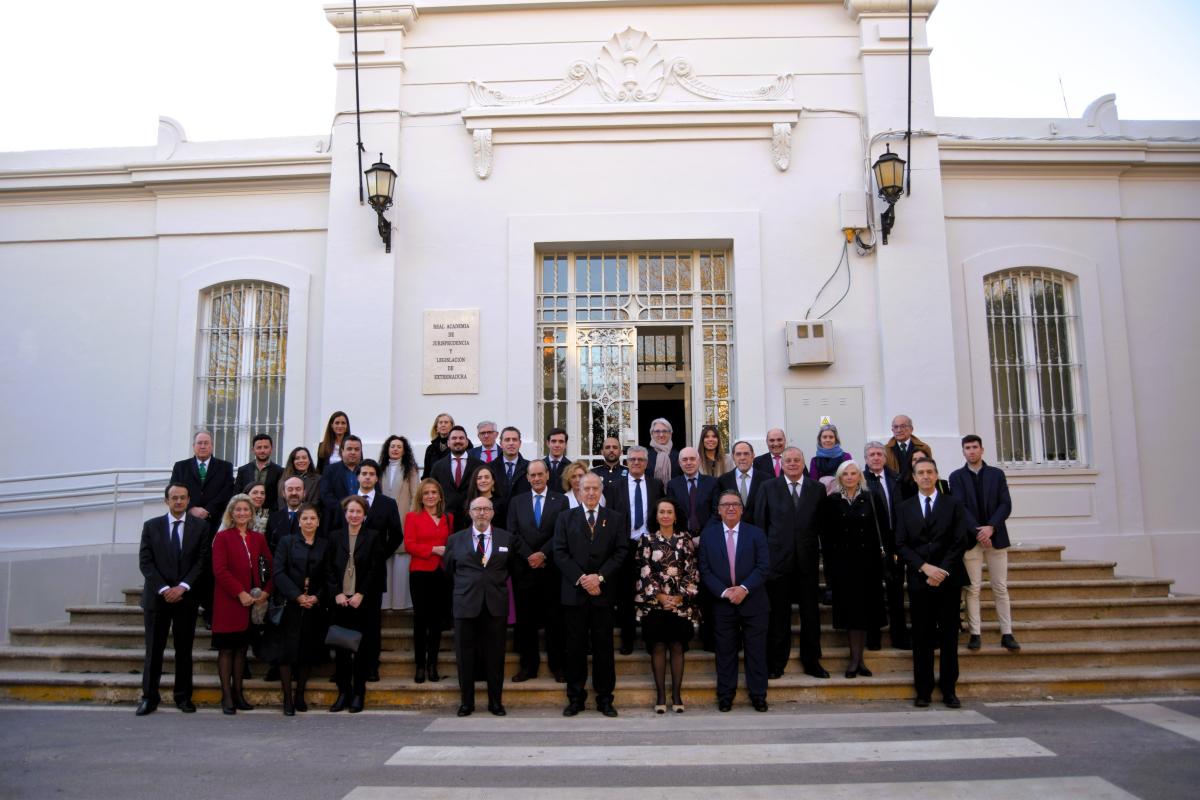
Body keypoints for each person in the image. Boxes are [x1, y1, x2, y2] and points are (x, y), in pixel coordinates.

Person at [895, 458, 971, 708]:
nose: (925, 476)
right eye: (921, 473)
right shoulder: (905, 508)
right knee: (922, 636)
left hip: (948, 579)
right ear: (914, 477)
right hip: (920, 579)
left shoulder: (953, 504)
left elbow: (960, 540)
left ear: (937, 475)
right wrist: (924, 567)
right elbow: (901, 544)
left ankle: (949, 689)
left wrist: (941, 570)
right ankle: (923, 689)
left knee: (949, 636)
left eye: (930, 472)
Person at [553, 473, 630, 717]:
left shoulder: (615, 519)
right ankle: (575, 698)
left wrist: (600, 577)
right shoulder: (565, 518)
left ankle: (605, 698)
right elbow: (560, 552)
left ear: (601, 491)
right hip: (574, 593)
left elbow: (621, 552)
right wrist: (583, 579)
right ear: (578, 491)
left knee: (604, 648)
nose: (590, 493)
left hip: (603, 594)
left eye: (595, 488)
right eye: (586, 488)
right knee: (574, 648)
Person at [136, 483, 210, 716]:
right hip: (157, 599)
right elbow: (146, 562)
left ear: (189, 500)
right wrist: (165, 588)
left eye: (183, 498)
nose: (178, 501)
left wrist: (183, 587)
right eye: (174, 498)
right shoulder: (151, 526)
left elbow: (202, 561)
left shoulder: (200, 527)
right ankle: (149, 697)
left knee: (184, 650)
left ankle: (183, 697)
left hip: (186, 598)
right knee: (154, 650)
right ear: (166, 500)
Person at [754, 446, 828, 679]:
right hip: (777, 563)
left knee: (810, 615)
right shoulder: (768, 487)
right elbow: (760, 525)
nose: (793, 463)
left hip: (807, 562)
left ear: (803, 462)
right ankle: (776, 662)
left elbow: (821, 526)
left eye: (797, 460)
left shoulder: (817, 489)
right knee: (778, 616)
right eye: (789, 460)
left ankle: (812, 661)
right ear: (782, 464)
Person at [444, 497, 521, 716]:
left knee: (495, 656)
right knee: (465, 656)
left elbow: (512, 569)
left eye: (486, 509)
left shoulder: (507, 538)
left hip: (495, 605)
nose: (481, 513)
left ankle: (495, 702)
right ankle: (466, 702)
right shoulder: (455, 540)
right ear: (469, 513)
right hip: (465, 604)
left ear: (493, 513)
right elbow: (449, 571)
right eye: (477, 509)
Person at [698, 490, 770, 712]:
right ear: (718, 510)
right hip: (722, 603)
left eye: (735, 504)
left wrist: (744, 589)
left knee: (756, 651)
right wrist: (725, 592)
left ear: (742, 509)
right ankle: (726, 695)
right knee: (725, 651)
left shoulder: (756, 534)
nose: (730, 508)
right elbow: (705, 570)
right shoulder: (708, 535)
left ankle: (758, 695)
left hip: (754, 602)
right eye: (725, 505)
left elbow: (763, 566)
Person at [949, 435, 1019, 652]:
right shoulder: (956, 477)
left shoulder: (996, 474)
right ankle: (975, 633)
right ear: (963, 452)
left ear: (982, 449)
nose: (971, 451)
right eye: (967, 448)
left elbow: (1005, 504)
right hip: (971, 540)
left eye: (974, 447)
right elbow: (959, 507)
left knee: (1000, 587)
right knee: (973, 588)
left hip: (996, 537)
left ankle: (1007, 633)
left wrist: (991, 527)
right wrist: (978, 531)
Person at [820, 461, 888, 678]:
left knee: (865, 612)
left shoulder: (872, 498)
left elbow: (884, 530)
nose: (849, 477)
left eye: (853, 473)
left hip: (868, 565)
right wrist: (831, 568)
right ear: (840, 477)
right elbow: (827, 537)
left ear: (860, 476)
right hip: (843, 567)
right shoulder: (832, 501)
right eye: (845, 474)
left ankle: (860, 660)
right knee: (851, 614)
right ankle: (854, 660)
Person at [507, 459, 570, 683]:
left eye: (539, 474)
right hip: (524, 571)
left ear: (547, 475)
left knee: (555, 621)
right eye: (532, 475)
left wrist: (542, 554)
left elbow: (562, 533)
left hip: (551, 570)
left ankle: (558, 666)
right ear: (527, 477)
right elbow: (512, 533)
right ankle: (528, 667)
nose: (536, 479)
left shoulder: (561, 501)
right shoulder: (516, 502)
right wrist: (529, 556)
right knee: (525, 623)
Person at [634, 496, 699, 713]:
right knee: (659, 645)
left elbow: (691, 571)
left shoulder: (686, 539)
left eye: (669, 512)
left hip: (680, 603)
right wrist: (661, 598)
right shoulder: (647, 539)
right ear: (656, 516)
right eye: (661, 512)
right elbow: (644, 571)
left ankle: (677, 695)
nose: (665, 515)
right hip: (655, 603)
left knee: (677, 646)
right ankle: (661, 696)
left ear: (675, 515)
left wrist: (679, 598)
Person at [210, 493, 272, 715]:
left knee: (242, 650)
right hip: (229, 601)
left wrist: (266, 592)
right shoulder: (223, 537)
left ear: (251, 513)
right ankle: (226, 695)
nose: (243, 513)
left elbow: (269, 567)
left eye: (246, 510)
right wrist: (239, 593)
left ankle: (238, 693)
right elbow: (220, 570)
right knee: (227, 649)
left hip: (253, 602)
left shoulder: (258, 538)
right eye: (238, 510)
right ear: (231, 513)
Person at [270, 503, 331, 715]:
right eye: (305, 518)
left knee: (307, 651)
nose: (309, 522)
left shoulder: (324, 544)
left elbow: (329, 576)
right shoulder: (287, 542)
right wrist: (297, 596)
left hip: (313, 605)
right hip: (291, 604)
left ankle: (300, 695)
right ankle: (287, 697)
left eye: (313, 518)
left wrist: (316, 596)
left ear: (318, 522)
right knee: (287, 652)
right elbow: (278, 572)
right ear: (299, 521)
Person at [348, 458, 404, 682]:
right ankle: (347, 665)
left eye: (372, 474)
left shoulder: (387, 504)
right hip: (348, 573)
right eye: (364, 474)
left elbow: (397, 535)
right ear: (358, 477)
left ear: (376, 478)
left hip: (373, 573)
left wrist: (380, 556)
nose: (368, 477)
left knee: (371, 623)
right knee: (347, 621)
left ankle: (372, 665)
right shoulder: (349, 503)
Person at [326, 495, 384, 713]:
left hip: (362, 602)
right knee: (341, 650)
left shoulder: (373, 537)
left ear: (364, 514)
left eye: (358, 511)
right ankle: (343, 693)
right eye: (351, 511)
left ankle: (359, 693)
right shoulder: (334, 537)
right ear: (345, 513)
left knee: (362, 650)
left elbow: (375, 569)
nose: (354, 515)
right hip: (340, 602)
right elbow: (329, 569)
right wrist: (337, 593)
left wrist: (361, 593)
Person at [606, 445, 663, 655]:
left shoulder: (656, 485)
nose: (636, 463)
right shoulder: (614, 486)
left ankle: (651, 639)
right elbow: (610, 517)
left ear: (647, 463)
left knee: (651, 592)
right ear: (626, 462)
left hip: (650, 545)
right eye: (632, 460)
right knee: (625, 595)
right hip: (625, 545)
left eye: (640, 460)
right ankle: (627, 640)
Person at [863, 441, 910, 650]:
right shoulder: (861, 480)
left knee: (896, 592)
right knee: (872, 593)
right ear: (866, 458)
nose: (875, 458)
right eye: (871, 454)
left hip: (894, 543)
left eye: (879, 454)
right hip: (871, 544)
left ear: (885, 457)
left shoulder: (896, 479)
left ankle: (899, 636)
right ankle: (873, 637)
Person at [405, 479, 453, 684]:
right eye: (426, 493)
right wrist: (432, 550)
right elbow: (409, 545)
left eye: (434, 492)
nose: (430, 496)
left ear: (440, 496)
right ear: (421, 497)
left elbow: (453, 543)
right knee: (420, 620)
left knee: (436, 622)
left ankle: (432, 664)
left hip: (441, 574)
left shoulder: (448, 518)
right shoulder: (412, 517)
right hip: (420, 573)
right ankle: (420, 666)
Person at [378, 435, 420, 611]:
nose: (395, 449)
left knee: (402, 562)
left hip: (403, 519)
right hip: (382, 522)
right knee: (384, 560)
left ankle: (401, 603)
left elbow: (415, 496)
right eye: (392, 446)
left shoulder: (410, 470)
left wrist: (410, 519)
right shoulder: (380, 469)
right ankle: (385, 603)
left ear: (404, 450)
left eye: (399, 447)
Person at [170, 431, 235, 538]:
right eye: (199, 443)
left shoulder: (225, 467)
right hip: (188, 520)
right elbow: (173, 491)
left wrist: (209, 510)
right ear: (193, 446)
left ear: (212, 446)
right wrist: (191, 508)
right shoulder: (180, 467)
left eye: (206, 443)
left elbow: (227, 491)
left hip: (215, 520)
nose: (203, 446)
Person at [429, 425, 484, 523]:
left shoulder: (479, 466)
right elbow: (432, 491)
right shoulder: (438, 466)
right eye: (454, 438)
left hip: (472, 519)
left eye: (461, 438)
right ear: (448, 443)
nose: (458, 441)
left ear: (467, 442)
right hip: (445, 518)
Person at [718, 440, 769, 527]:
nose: (742, 457)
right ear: (733, 457)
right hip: (733, 531)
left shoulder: (766, 479)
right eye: (738, 454)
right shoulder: (723, 480)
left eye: (746, 454)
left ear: (753, 456)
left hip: (759, 532)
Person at [319, 434, 362, 530]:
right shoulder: (330, 470)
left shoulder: (367, 471)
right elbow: (326, 495)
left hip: (362, 523)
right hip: (336, 522)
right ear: (342, 451)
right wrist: (347, 511)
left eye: (356, 449)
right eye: (349, 449)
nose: (353, 452)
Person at [885, 414, 932, 499]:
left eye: (903, 426)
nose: (899, 430)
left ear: (911, 429)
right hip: (896, 494)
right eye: (896, 427)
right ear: (892, 430)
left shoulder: (923, 448)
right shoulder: (886, 450)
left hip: (919, 491)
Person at [236, 434, 284, 512]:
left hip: (270, 515)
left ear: (271, 449)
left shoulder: (280, 471)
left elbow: (280, 497)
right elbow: (237, 494)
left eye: (266, 447)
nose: (262, 450)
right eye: (259, 447)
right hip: (246, 514)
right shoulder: (243, 470)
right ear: (253, 449)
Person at [461, 465, 508, 534]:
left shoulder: (502, 503)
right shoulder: (467, 502)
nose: (483, 480)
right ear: (475, 482)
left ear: (493, 481)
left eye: (487, 477)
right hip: (470, 542)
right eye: (479, 478)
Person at [490, 426, 530, 501]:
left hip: (521, 511)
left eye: (514, 440)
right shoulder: (490, 468)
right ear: (501, 444)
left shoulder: (530, 468)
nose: (511, 443)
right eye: (507, 440)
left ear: (520, 443)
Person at [267, 477, 306, 552]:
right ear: (283, 493)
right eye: (290, 489)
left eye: (298, 489)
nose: (294, 493)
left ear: (304, 493)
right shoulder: (273, 518)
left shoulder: (314, 517)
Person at [646, 418, 682, 483]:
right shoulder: (645, 455)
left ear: (670, 434)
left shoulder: (679, 456)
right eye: (657, 431)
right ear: (652, 434)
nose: (661, 435)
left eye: (665, 431)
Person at [422, 412, 455, 477]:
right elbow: (426, 472)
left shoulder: (459, 445)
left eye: (446, 422)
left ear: (452, 426)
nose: (443, 425)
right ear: (436, 428)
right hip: (434, 485)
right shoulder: (430, 449)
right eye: (440, 422)